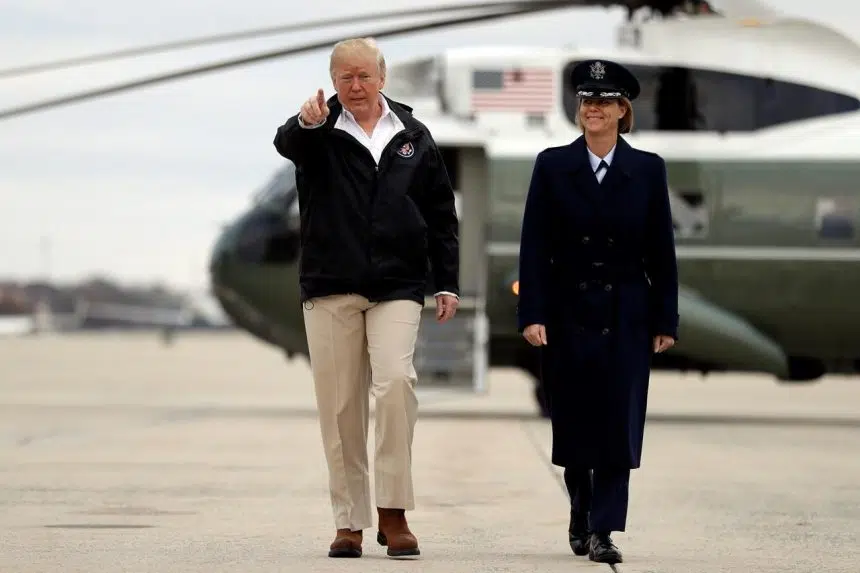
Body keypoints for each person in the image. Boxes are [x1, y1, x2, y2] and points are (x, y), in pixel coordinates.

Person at [272, 37, 460, 559]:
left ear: (382, 77)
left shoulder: (413, 135)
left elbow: (441, 213)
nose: (355, 86)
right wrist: (306, 123)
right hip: (331, 284)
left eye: (364, 76)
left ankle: (394, 512)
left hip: (397, 284)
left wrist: (446, 281)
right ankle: (350, 521)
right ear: (333, 81)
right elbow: (288, 144)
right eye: (345, 77)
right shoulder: (317, 131)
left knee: (396, 383)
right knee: (340, 406)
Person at [516, 59, 679, 565]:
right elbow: (534, 246)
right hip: (568, 311)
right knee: (574, 422)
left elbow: (662, 252)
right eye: (587, 100)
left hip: (626, 314)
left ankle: (604, 529)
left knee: (617, 424)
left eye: (604, 101)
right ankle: (581, 509)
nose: (594, 108)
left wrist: (665, 320)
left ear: (622, 110)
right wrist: (532, 313)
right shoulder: (552, 165)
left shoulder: (647, 169)